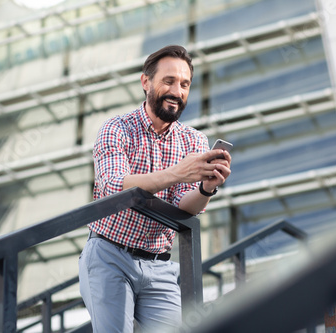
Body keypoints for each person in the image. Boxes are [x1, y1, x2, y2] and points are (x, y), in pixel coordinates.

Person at [78, 45, 232, 332]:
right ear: (146, 82)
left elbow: (182, 208)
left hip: (160, 264)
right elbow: (114, 186)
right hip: (109, 255)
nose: (178, 90)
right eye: (169, 81)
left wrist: (206, 189)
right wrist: (178, 173)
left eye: (185, 84)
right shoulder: (116, 128)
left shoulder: (194, 142)